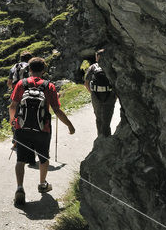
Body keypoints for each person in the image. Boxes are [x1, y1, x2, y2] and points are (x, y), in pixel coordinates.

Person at [9, 57, 75, 206]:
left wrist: (13, 122)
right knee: (43, 157)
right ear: (43, 70)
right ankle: (42, 184)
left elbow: (13, 106)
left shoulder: (21, 83)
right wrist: (70, 125)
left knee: (20, 159)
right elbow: (57, 110)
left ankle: (20, 188)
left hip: (22, 127)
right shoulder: (49, 86)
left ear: (29, 69)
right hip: (42, 128)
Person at [8, 51, 37, 167]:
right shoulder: (30, 67)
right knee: (29, 116)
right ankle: (29, 142)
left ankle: (16, 140)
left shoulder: (14, 67)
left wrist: (14, 88)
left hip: (16, 93)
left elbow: (9, 82)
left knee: (16, 115)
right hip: (28, 94)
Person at [84, 49, 117, 137]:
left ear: (98, 57)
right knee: (107, 118)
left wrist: (92, 93)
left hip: (96, 95)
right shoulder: (111, 66)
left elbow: (86, 83)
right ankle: (107, 137)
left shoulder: (93, 67)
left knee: (99, 118)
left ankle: (100, 137)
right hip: (109, 94)